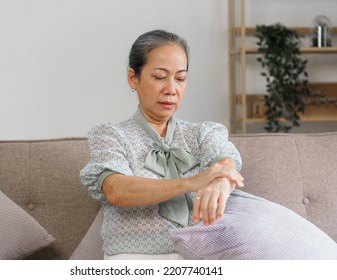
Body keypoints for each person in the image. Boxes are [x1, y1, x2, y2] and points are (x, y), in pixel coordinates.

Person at [79, 29, 245, 260]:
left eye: (180, 78)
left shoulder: (202, 133)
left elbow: (225, 162)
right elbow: (116, 190)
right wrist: (191, 182)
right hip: (133, 259)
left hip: (200, 256)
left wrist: (222, 182)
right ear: (133, 78)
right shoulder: (110, 135)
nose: (171, 89)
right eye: (159, 77)